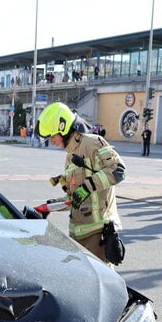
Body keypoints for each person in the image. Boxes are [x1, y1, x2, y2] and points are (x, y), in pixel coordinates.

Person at [35, 102, 126, 265]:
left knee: (100, 279)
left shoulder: (92, 143)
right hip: (78, 236)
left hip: (97, 235)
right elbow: (75, 198)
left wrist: (86, 187)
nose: (51, 141)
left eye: (52, 136)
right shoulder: (70, 157)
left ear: (64, 128)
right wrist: (49, 207)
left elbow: (118, 170)